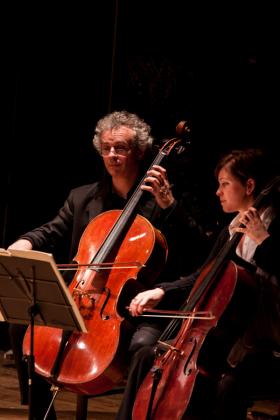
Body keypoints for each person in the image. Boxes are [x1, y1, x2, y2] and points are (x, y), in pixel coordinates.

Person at [7, 110, 207, 419]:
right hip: (86, 299)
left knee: (143, 344)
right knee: (25, 324)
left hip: (139, 306)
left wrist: (170, 206)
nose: (112, 155)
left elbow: (198, 250)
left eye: (121, 148)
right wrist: (25, 242)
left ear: (140, 152)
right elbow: (52, 229)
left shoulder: (165, 199)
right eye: (106, 148)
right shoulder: (84, 197)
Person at [126, 148, 280, 420]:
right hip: (228, 339)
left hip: (266, 344)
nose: (217, 192)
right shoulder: (231, 230)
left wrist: (264, 241)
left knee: (225, 386)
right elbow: (204, 275)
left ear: (250, 186)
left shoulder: (275, 226)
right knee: (146, 356)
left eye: (224, 184)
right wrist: (162, 290)